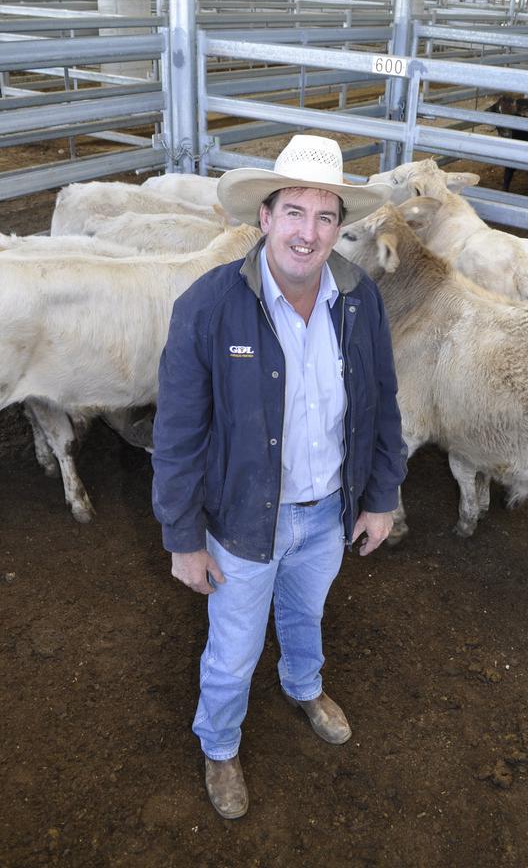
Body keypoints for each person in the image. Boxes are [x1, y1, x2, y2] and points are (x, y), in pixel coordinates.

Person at [152, 134, 407, 819]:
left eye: (326, 217)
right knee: (233, 648)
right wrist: (183, 537)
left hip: (327, 509)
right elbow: (176, 434)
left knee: (306, 615)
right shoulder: (207, 307)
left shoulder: (358, 300)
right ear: (263, 218)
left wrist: (381, 497)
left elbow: (381, 403)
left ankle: (303, 687)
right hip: (241, 519)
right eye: (294, 212)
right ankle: (220, 745)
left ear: (339, 227)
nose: (309, 232)